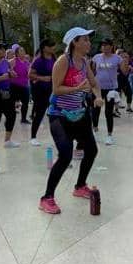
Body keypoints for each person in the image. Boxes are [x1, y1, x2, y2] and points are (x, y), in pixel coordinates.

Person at [38, 27, 105, 214]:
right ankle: (46, 198)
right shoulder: (63, 61)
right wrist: (77, 88)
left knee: (91, 150)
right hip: (59, 115)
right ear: (74, 42)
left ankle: (80, 186)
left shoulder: (84, 61)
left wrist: (98, 96)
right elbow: (56, 89)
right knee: (65, 155)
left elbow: (93, 84)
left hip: (80, 114)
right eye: (85, 40)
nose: (89, 43)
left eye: (89, 40)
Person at [91, 38, 122, 145]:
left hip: (111, 89)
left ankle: (109, 135)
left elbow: (124, 71)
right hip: (98, 88)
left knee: (109, 112)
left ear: (111, 46)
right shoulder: (96, 57)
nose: (104, 47)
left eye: (106, 45)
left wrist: (126, 62)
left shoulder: (117, 58)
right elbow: (92, 72)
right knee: (95, 111)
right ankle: (95, 130)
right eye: (103, 45)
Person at [28, 39, 56, 146]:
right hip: (40, 90)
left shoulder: (54, 59)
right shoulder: (38, 60)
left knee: (56, 113)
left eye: (53, 45)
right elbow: (30, 75)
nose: (53, 48)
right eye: (51, 46)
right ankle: (33, 137)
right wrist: (42, 78)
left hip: (52, 90)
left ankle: (59, 135)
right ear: (44, 48)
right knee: (39, 113)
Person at [9, 45, 32, 125]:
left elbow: (30, 73)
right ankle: (10, 118)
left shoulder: (27, 62)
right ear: (17, 53)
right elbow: (8, 69)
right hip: (14, 85)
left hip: (24, 86)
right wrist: (11, 71)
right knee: (12, 103)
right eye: (21, 51)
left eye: (24, 50)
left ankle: (23, 119)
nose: (23, 52)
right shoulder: (13, 61)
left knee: (25, 103)